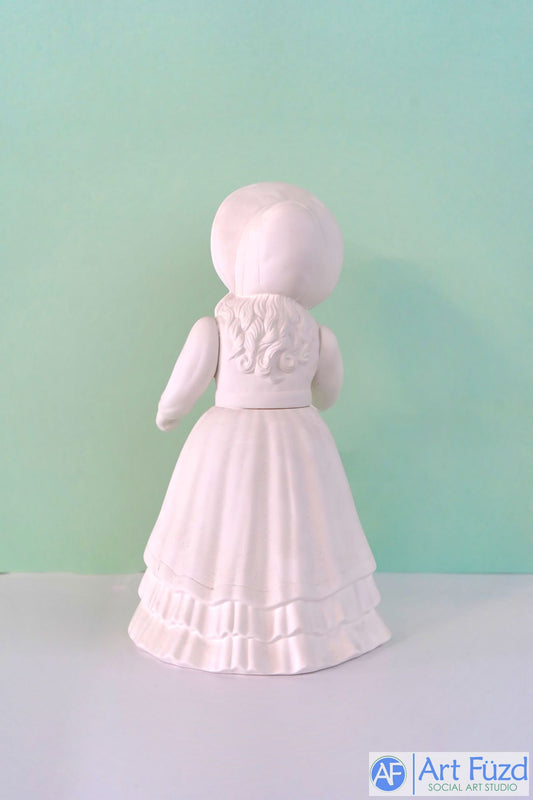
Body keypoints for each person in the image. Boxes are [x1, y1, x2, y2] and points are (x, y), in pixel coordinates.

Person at [128, 182, 391, 674]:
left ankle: (216, 631)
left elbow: (179, 394)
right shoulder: (319, 335)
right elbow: (328, 396)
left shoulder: (214, 327)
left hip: (225, 441)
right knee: (298, 530)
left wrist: (168, 414)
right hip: (301, 441)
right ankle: (303, 632)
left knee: (223, 531)